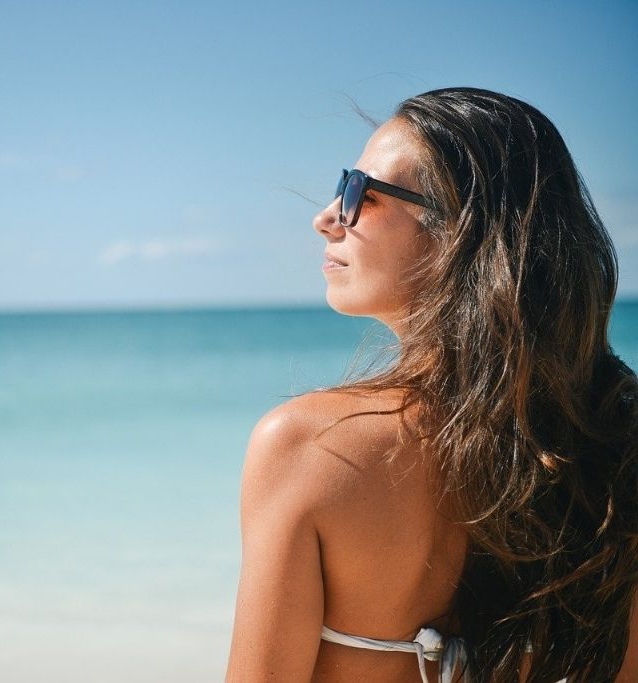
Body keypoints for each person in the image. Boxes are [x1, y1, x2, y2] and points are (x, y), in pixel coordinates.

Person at [224, 87, 638, 682]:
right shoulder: (611, 448)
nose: (326, 216)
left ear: (458, 233)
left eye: (358, 192)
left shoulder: (311, 449)